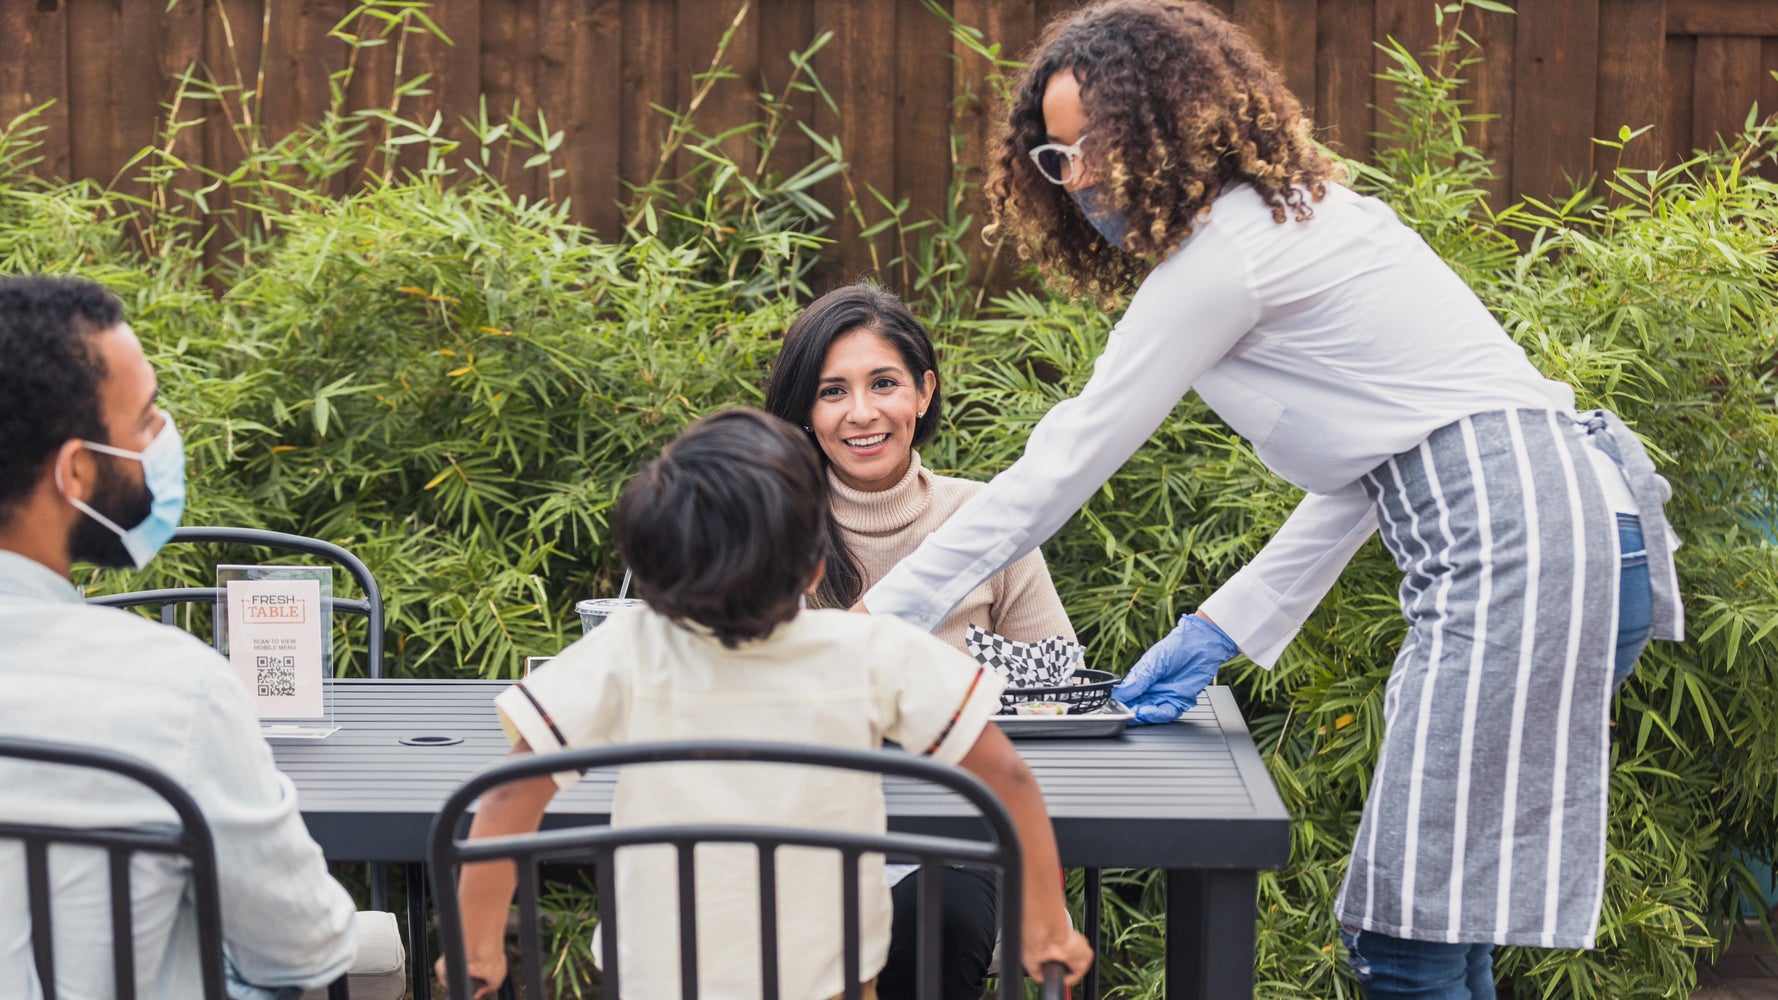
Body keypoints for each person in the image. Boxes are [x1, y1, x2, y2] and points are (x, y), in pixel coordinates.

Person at [856, 3, 1682, 998]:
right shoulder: (1299, 218)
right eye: (1054, 155)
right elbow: (1374, 472)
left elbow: (1059, 466)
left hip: (1520, 547)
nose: (1076, 179)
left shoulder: (1227, 254)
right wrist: (1217, 627)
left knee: (1405, 940)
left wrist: (875, 620)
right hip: (1570, 530)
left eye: (1094, 145)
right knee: (1444, 932)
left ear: (1168, 123)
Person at [444, 408, 1092, 999]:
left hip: (656, 979)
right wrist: (1043, 927)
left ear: (654, 569)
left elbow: (509, 795)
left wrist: (476, 951)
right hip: (830, 982)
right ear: (817, 565)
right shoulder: (874, 649)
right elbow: (1005, 778)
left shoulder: (626, 646)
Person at [0, 275, 392, 999]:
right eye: (146, 418)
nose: (163, 437)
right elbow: (305, 948)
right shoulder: (174, 692)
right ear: (78, 471)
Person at [765, 281, 1075, 999]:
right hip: (803, 837)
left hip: (956, 843)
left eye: (883, 383)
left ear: (924, 391)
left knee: (935, 920)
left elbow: (1060, 697)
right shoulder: (767, 528)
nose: (862, 413)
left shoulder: (987, 519)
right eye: (831, 391)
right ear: (804, 411)